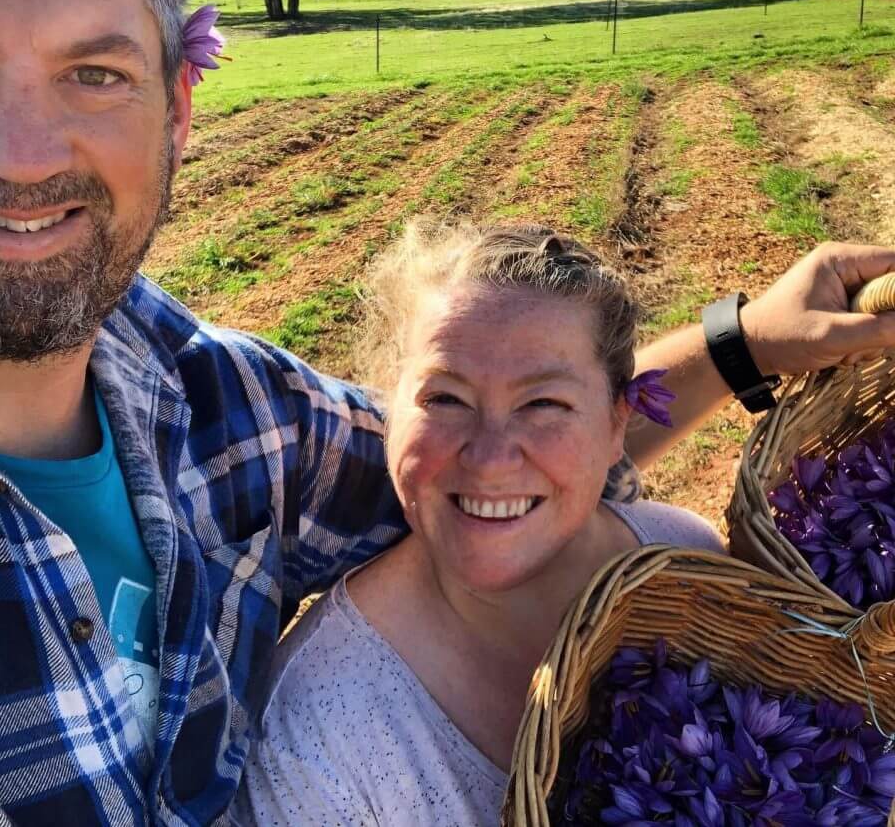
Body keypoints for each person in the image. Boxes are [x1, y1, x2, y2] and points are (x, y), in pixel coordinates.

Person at [0, 0, 894, 825]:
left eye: (94, 73)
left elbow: (499, 460)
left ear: (177, 107)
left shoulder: (234, 415)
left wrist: (741, 339)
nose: (21, 151)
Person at [234, 222, 725, 826]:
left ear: (617, 422)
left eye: (544, 404)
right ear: (389, 409)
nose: (491, 459)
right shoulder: (317, 729)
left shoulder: (691, 566)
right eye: (445, 399)